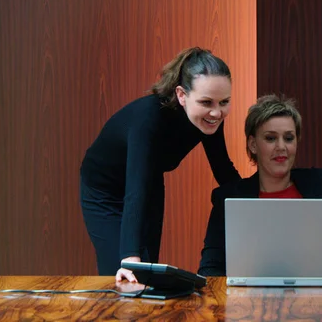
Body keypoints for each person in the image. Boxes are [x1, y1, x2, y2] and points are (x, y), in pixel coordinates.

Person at [80, 47, 241, 282]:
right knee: (126, 273)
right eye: (206, 102)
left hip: (148, 180)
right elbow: (136, 190)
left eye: (224, 102)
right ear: (181, 95)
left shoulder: (209, 118)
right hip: (104, 190)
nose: (216, 112)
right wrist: (130, 257)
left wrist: (256, 203)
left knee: (147, 274)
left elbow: (223, 169)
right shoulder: (148, 119)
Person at [198, 94, 322, 277]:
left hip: (320, 300)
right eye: (270, 138)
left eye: (289, 138)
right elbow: (210, 269)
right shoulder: (228, 199)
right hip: (250, 302)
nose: (281, 147)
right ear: (253, 145)